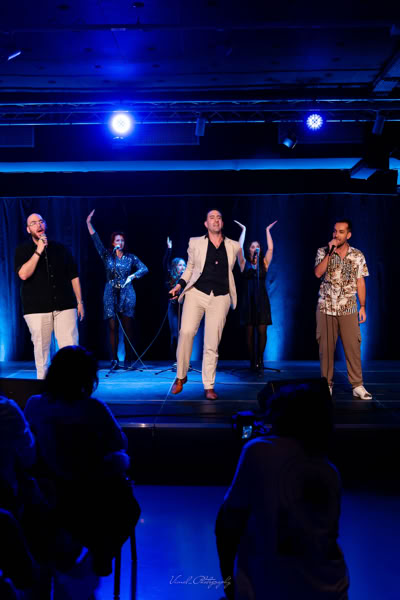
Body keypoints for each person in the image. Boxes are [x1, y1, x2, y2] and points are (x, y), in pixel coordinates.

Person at [215, 381, 349, 600]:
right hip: (332, 588)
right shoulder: (330, 471)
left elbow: (227, 523)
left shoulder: (260, 451)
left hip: (274, 587)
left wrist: (229, 586)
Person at [24, 345, 139, 578]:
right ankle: (101, 552)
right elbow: (120, 442)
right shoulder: (93, 408)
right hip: (92, 490)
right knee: (129, 509)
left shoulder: (34, 404)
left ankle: (72, 548)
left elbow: (29, 446)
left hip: (51, 491)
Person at [169, 209, 243, 400]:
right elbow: (190, 268)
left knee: (212, 343)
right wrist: (179, 285)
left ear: (222, 223)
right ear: (206, 224)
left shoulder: (234, 245)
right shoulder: (195, 242)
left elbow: (242, 266)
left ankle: (209, 385)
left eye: (219, 218)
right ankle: (181, 376)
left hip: (220, 296)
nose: (216, 220)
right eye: (212, 218)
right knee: (186, 332)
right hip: (196, 293)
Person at [14, 213, 84, 380]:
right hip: (36, 308)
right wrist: (38, 250)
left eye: (41, 221)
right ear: (28, 229)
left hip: (65, 305)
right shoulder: (22, 250)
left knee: (70, 349)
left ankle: (72, 387)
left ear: (45, 225)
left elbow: (73, 276)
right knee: (42, 351)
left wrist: (80, 302)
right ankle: (44, 389)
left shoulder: (61, 248)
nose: (38, 225)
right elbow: (23, 274)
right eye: (33, 223)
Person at [314, 220, 372, 399]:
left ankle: (357, 385)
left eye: (340, 232)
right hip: (326, 307)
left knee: (353, 347)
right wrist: (330, 254)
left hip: (348, 307)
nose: (336, 235)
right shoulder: (323, 251)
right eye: (334, 231)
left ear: (348, 235)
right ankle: (327, 385)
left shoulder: (357, 255)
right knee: (326, 349)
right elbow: (318, 273)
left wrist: (363, 306)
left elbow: (360, 281)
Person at [86, 209, 148, 369]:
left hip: (127, 294)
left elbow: (144, 268)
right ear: (113, 243)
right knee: (112, 327)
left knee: (127, 328)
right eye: (117, 240)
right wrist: (88, 223)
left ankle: (129, 359)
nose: (120, 242)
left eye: (122, 240)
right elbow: (96, 241)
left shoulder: (130, 257)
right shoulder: (107, 256)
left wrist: (132, 277)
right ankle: (114, 360)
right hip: (110, 293)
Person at [235, 220, 277, 371]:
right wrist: (244, 230)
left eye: (257, 246)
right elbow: (239, 248)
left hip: (262, 301)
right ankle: (252, 360)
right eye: (252, 246)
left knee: (262, 331)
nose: (255, 248)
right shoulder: (244, 263)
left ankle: (260, 359)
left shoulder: (264, 263)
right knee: (249, 333)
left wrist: (267, 230)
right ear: (249, 250)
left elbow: (271, 248)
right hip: (248, 300)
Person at [163, 237, 186, 358]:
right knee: (175, 335)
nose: (182, 267)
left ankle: (185, 360)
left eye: (184, 265)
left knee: (185, 334)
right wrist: (169, 249)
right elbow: (165, 263)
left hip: (185, 309)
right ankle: (176, 359)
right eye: (180, 265)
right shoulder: (170, 277)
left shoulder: (187, 279)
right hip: (173, 308)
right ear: (175, 267)